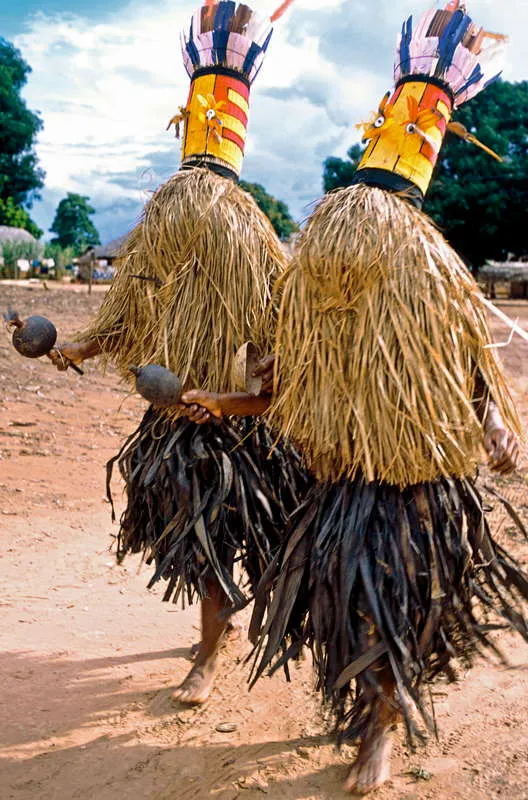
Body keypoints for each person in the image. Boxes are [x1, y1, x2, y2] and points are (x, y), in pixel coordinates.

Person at [182, 1, 528, 793]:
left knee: (397, 608)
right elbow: (279, 387)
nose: (342, 258)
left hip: (419, 482)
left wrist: (490, 422)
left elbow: (465, 358)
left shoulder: (427, 271)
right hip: (342, 482)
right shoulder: (309, 293)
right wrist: (229, 398)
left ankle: (380, 727)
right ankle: (364, 709)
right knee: (341, 610)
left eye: (359, 239)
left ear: (395, 237)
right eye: (332, 240)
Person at [49, 0, 308, 707]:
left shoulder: (250, 234)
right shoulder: (163, 220)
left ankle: (215, 644)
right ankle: (212, 641)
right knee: (202, 545)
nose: (184, 210)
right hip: (173, 423)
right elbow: (129, 309)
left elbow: (279, 335)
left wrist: (245, 390)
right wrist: (76, 345)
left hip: (240, 424)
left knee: (248, 537)